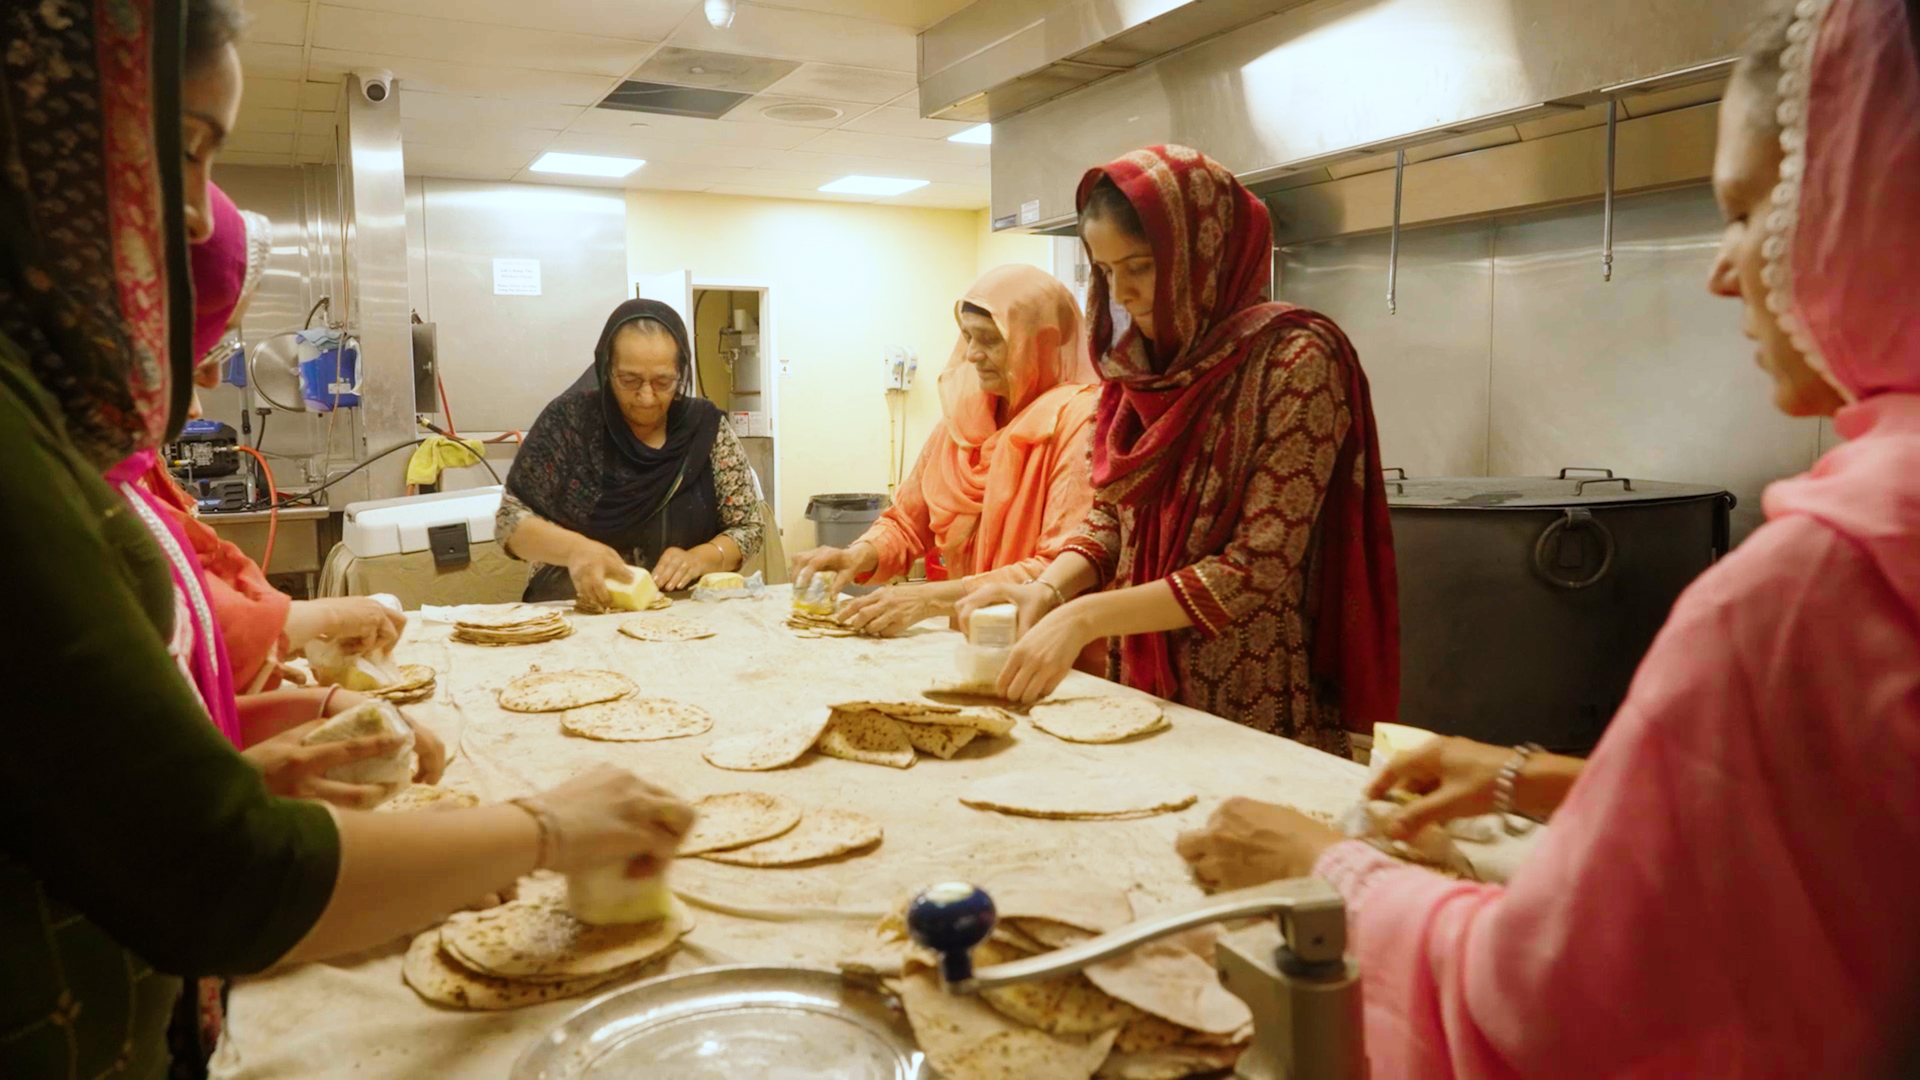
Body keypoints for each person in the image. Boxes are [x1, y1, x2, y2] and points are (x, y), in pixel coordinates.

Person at [1175, 0, 1920, 1075]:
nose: (1723, 271)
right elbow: (1846, 825)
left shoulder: (1814, 586)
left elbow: (1563, 1012)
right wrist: (1538, 777)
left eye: (1751, 211)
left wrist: (1333, 872)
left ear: (1868, 205)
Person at [0, 4, 693, 1077]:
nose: (191, 215)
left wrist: (267, 739)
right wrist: (544, 828)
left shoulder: (45, 424)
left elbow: (86, 765)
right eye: (181, 150)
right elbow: (214, 873)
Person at [959, 146, 1399, 756]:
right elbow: (1113, 513)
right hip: (1137, 675)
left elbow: (1256, 566)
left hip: (1247, 688)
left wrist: (1085, 618)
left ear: (1204, 252)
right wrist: (1051, 591)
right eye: (1108, 272)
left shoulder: (1296, 359)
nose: (1126, 293)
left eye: (1140, 265)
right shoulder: (1139, 367)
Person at [790, 263, 1100, 639]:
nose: (971, 354)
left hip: (1055, 650)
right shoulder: (965, 421)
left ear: (1040, 341)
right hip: (977, 640)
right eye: (967, 337)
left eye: (989, 340)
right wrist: (859, 555)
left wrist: (927, 599)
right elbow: (906, 521)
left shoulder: (1080, 422)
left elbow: (1057, 570)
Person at [498, 299, 764, 606]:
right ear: (606, 369)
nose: (646, 397)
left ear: (681, 373)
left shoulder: (706, 429)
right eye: (629, 380)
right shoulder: (570, 424)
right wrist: (575, 550)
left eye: (663, 382)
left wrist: (700, 558)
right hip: (579, 611)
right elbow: (511, 521)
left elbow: (748, 525)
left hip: (684, 612)